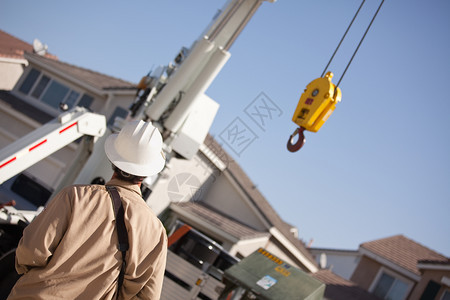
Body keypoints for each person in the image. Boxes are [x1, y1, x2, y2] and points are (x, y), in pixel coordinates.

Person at [8, 120, 167, 299]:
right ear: (148, 172)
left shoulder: (74, 197)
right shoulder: (156, 232)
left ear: (113, 160)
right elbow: (148, 296)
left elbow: (31, 251)